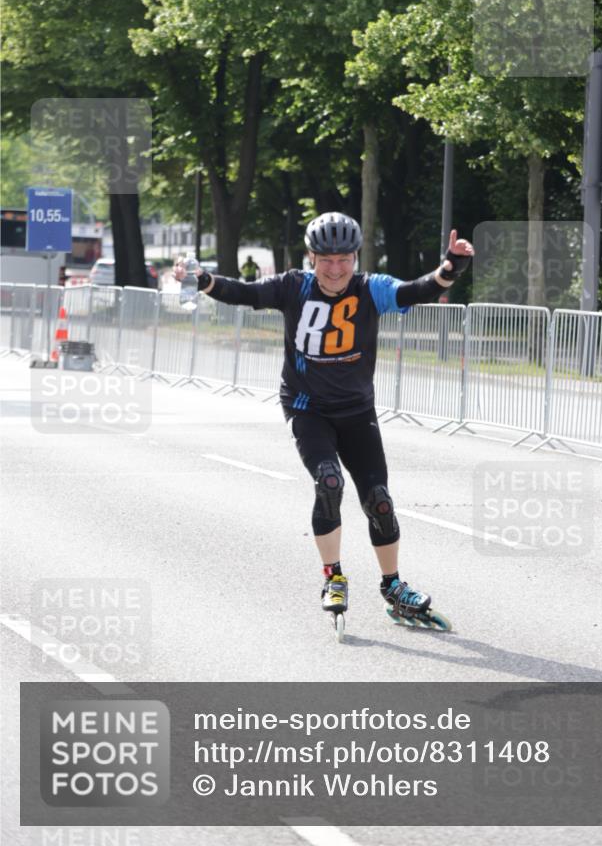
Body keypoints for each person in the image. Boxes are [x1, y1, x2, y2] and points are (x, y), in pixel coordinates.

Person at [174, 213, 474, 628]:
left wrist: (450, 267)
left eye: (344, 260)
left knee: (380, 501)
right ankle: (333, 577)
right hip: (306, 407)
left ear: (356, 257)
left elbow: (416, 291)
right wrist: (204, 279)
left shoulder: (372, 289)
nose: (335, 270)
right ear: (311, 257)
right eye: (326, 260)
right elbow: (242, 293)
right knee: (329, 481)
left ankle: (393, 587)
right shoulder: (294, 286)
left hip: (356, 411)